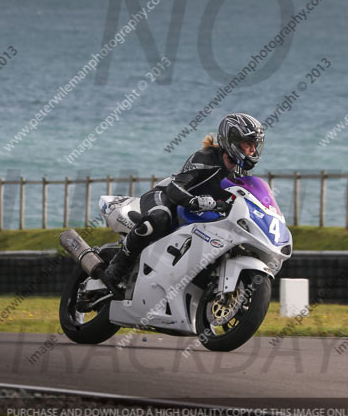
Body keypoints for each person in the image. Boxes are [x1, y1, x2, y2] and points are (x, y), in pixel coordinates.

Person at [103, 113, 265, 290]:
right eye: (247, 144)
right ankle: (116, 268)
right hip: (166, 198)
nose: (251, 150)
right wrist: (195, 201)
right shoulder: (205, 157)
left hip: (195, 215)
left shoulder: (242, 175)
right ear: (231, 139)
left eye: (254, 145)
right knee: (157, 220)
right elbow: (174, 188)